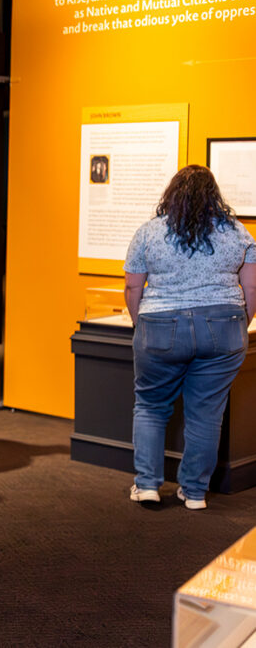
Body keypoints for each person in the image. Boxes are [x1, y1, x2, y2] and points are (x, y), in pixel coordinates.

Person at [124, 165, 256, 510]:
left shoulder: (148, 233)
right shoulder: (239, 233)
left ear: (171, 195)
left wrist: (142, 324)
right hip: (224, 325)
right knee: (207, 413)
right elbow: (252, 286)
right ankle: (194, 493)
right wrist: (241, 322)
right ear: (214, 196)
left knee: (151, 407)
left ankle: (148, 486)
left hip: (160, 323)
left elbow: (132, 286)